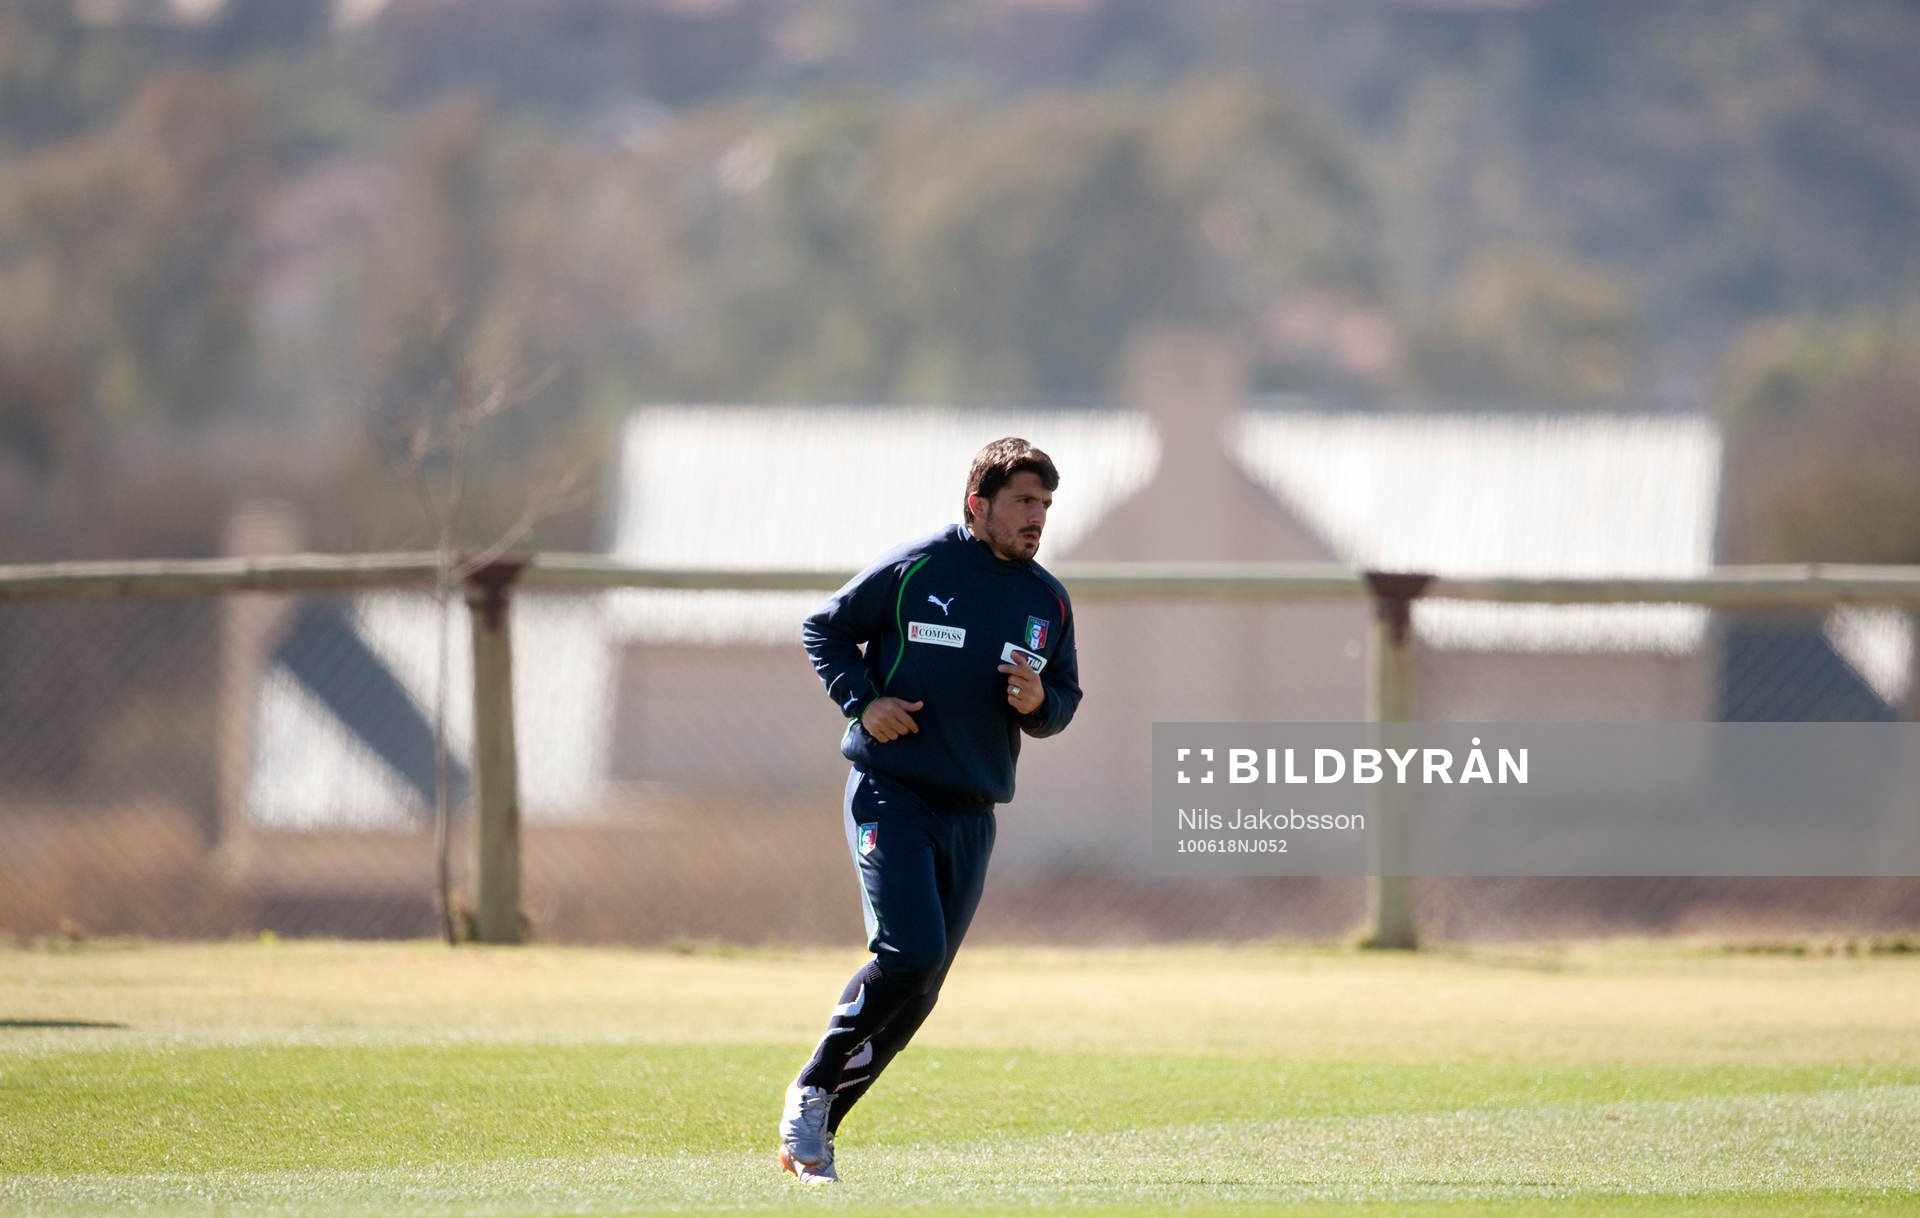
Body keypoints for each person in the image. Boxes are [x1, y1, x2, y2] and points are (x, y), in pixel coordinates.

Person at [776, 436, 1083, 1184]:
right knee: (906, 954)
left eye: (1044, 504)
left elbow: (1064, 701)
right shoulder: (918, 568)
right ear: (978, 505)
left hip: (973, 811)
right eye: (1022, 502)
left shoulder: (1046, 600)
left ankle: (814, 1135)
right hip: (893, 791)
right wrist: (863, 701)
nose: (1036, 517)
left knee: (922, 989)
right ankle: (810, 1089)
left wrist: (1039, 702)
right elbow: (825, 628)